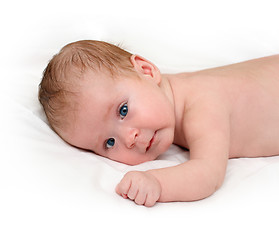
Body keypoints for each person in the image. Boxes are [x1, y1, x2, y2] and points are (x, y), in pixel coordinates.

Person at [39, 40, 279, 207]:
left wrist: (157, 183)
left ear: (146, 70)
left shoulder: (203, 105)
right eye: (109, 143)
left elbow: (208, 174)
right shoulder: (169, 98)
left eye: (123, 110)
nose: (128, 138)